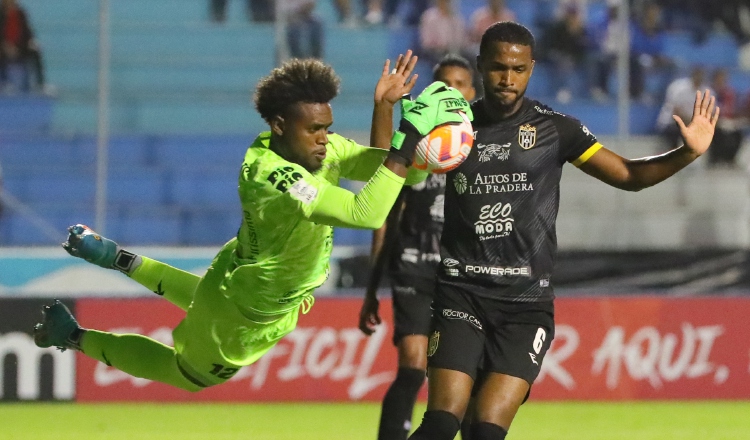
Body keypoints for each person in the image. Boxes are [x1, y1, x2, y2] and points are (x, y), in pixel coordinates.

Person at [33, 54, 473, 393]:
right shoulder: (274, 177)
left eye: (327, 128)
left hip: (241, 279)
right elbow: (368, 212)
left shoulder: (311, 148)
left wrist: (416, 139)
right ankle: (72, 335)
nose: (324, 138)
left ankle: (114, 256)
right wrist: (406, 145)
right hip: (250, 312)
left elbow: (397, 174)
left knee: (200, 296)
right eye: (314, 129)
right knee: (188, 375)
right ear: (280, 124)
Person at [407, 21, 719, 440]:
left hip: (525, 306)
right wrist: (393, 120)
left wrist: (687, 153)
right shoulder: (452, 130)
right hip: (461, 292)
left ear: (531, 69)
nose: (507, 78)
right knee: (442, 422)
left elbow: (628, 174)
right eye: (498, 67)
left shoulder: (557, 130)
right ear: (481, 66)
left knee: (485, 431)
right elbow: (388, 170)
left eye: (518, 69)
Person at [359, 54, 476, 440]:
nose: (451, 90)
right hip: (412, 267)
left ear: (471, 94)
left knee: (461, 375)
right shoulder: (421, 147)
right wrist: (372, 289)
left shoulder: (478, 149)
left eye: (459, 84)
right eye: (443, 83)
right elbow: (382, 182)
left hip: (460, 277)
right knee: (412, 365)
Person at [656, 65, 711, 151]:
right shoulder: (679, 88)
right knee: (674, 131)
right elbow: (676, 112)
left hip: (695, 124)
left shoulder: (706, 91)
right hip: (673, 123)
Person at [0, 0, 48, 94]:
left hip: (20, 46)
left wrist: (31, 42)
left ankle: (40, 83)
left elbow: (28, 33)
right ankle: (4, 82)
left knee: (35, 51)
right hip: (3, 47)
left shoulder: (20, 14)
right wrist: (5, 46)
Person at [707, 67, 744, 168]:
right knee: (716, 132)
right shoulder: (709, 92)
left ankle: (730, 158)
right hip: (712, 121)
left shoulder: (729, 93)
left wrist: (734, 120)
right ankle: (714, 158)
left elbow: (732, 110)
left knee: (738, 133)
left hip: (727, 121)